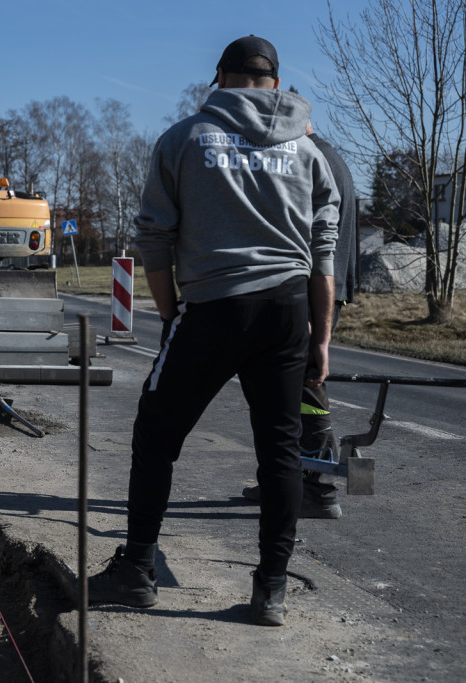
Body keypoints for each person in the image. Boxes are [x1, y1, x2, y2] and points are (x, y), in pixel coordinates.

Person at [87, 35, 339, 627]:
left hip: (213, 305)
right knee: (279, 450)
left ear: (220, 79)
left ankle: (137, 570)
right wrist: (320, 338)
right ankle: (270, 590)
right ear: (276, 83)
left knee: (156, 432)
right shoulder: (309, 152)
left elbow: (155, 238)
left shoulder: (184, 139)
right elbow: (323, 253)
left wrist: (173, 314)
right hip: (286, 311)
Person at [242, 120, 359, 519]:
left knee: (306, 389)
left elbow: (311, 237)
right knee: (288, 390)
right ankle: (283, 481)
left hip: (311, 291)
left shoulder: (311, 159)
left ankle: (320, 490)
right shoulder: (331, 155)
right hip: (324, 287)